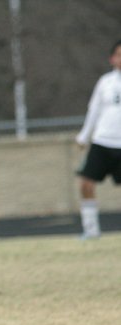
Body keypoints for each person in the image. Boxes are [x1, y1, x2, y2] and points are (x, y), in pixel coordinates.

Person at [75, 39, 121, 240]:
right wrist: (84, 136)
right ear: (112, 58)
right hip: (102, 141)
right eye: (119, 54)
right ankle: (91, 230)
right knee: (86, 184)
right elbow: (94, 110)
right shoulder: (105, 82)